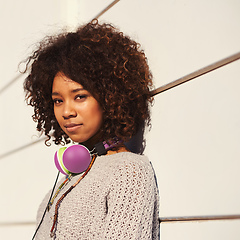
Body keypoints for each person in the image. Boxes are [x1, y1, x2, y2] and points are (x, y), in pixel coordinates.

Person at [24, 20, 159, 240]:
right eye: (58, 101)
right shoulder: (63, 184)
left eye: (80, 96)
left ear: (109, 97)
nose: (66, 111)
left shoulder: (130, 172)